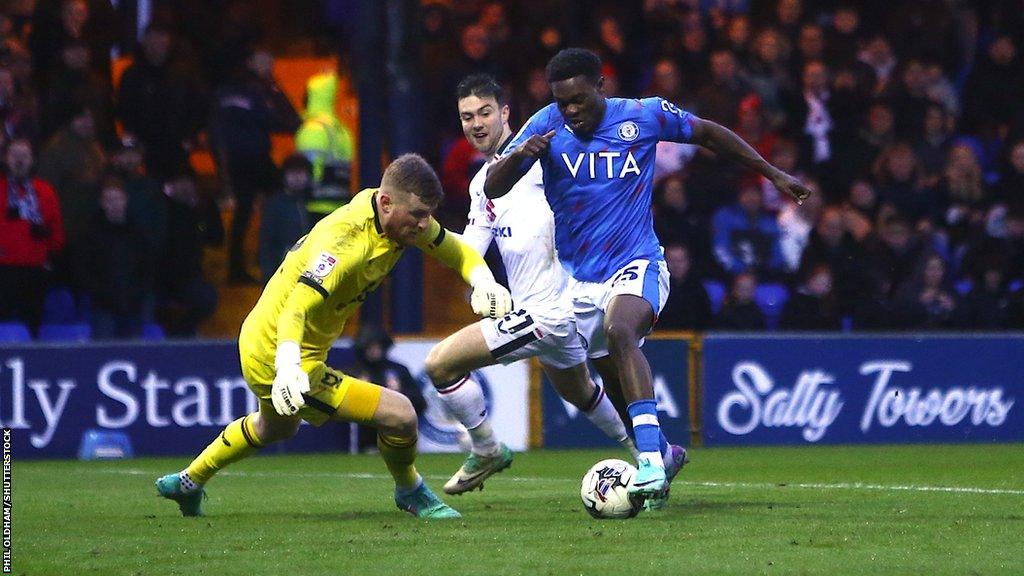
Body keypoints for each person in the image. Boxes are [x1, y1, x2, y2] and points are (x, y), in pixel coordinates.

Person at [485, 48, 809, 504]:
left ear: (601, 86)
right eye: (563, 102)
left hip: (638, 260)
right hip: (579, 280)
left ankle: (651, 466)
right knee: (609, 374)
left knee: (621, 330)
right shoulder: (544, 124)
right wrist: (519, 155)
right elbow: (493, 188)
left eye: (579, 99)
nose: (571, 111)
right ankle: (660, 452)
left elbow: (711, 134)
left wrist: (772, 173)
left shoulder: (644, 116)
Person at [155, 153, 512, 520]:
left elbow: (458, 251)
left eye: (427, 215)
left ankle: (188, 482)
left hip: (266, 338)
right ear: (386, 203)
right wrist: (290, 365)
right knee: (401, 415)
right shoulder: (345, 242)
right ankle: (411, 491)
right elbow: (297, 306)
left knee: (273, 427)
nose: (424, 225)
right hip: (279, 349)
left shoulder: (397, 218)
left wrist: (483, 281)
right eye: (418, 215)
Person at [424, 74, 643, 497]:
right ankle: (649, 454)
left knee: (439, 364)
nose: (476, 123)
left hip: (553, 311)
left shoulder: (545, 161)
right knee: (580, 391)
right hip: (538, 310)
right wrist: (480, 279)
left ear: (505, 113)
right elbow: (470, 250)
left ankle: (486, 449)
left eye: (485, 112)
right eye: (467, 117)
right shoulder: (482, 183)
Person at [0, 138, 64, 334]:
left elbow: (57, 230)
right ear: (5, 159)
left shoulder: (45, 191)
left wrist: (49, 248)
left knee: (32, 325)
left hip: (35, 271)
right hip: (3, 270)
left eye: (24, 155)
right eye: (14, 155)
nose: (19, 160)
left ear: (32, 160)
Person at [345, 324, 425, 453]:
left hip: (400, 439)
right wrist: (359, 393)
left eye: (377, 346)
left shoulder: (398, 371)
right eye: (369, 346)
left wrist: (400, 394)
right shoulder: (352, 373)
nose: (374, 350)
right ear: (362, 348)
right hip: (367, 442)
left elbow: (421, 404)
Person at [295, 71, 354, 225]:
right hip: (340, 204)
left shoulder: (312, 129)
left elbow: (305, 171)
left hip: (314, 205)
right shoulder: (342, 130)